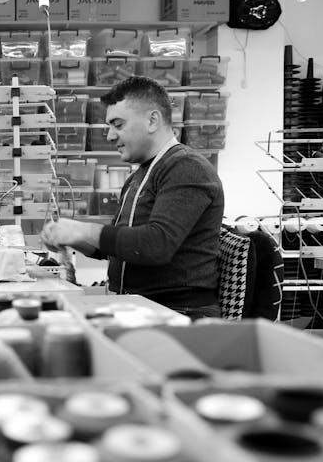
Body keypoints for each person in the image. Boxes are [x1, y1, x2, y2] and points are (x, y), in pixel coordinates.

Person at [42, 76, 225, 319]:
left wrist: (83, 230)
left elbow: (155, 245)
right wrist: (72, 237)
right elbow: (120, 248)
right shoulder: (140, 175)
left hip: (179, 313)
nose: (109, 136)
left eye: (118, 124)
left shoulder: (186, 167)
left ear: (152, 120)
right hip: (142, 306)